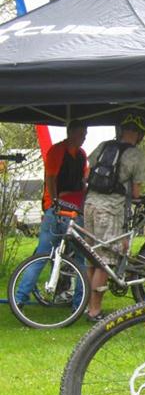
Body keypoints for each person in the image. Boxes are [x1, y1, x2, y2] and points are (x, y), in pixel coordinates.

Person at [13, 120, 88, 310]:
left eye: (85, 134)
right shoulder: (57, 151)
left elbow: (83, 181)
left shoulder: (81, 154)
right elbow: (51, 178)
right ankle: (20, 297)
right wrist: (55, 202)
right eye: (81, 134)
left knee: (78, 258)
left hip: (73, 211)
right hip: (56, 211)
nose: (84, 138)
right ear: (71, 133)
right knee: (44, 255)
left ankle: (79, 303)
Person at [83, 114, 145, 322]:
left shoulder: (104, 146)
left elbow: (87, 175)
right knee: (105, 261)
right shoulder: (136, 155)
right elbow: (136, 192)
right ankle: (95, 311)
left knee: (91, 257)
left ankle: (87, 307)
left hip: (89, 205)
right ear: (139, 134)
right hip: (110, 210)